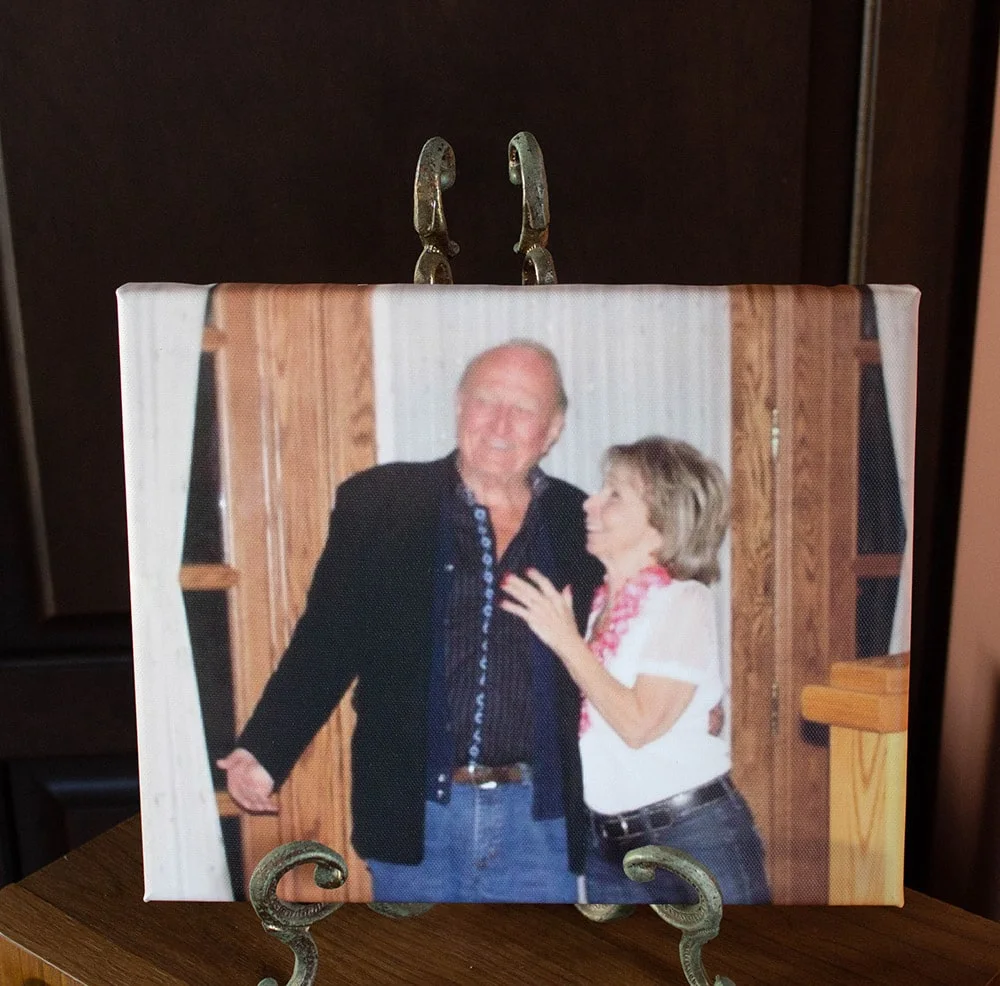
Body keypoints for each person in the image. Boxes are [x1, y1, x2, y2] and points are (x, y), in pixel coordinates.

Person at [217, 340, 605, 902]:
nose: (500, 422)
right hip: (415, 813)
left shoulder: (584, 522)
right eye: (486, 400)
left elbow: (625, 628)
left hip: (539, 822)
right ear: (458, 406)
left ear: (553, 427)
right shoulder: (380, 503)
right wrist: (263, 750)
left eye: (523, 407)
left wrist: (686, 703)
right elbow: (327, 639)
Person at [501, 436, 771, 904]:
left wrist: (566, 642)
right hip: (608, 848)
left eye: (614, 495)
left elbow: (639, 725)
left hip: (691, 841)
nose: (590, 503)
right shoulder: (596, 600)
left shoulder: (683, 601)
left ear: (662, 526)